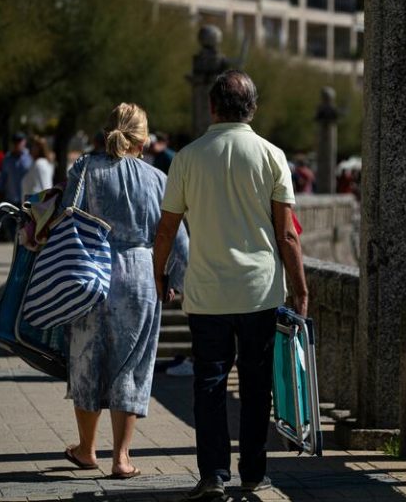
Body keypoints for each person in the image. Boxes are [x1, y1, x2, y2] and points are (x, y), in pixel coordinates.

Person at [153, 70, 308, 499]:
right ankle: (254, 473)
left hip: (207, 294)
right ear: (253, 108)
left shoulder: (186, 157)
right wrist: (301, 288)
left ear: (211, 106)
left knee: (209, 384)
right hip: (259, 291)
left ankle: (212, 476)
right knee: (257, 387)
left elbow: (166, 230)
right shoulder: (272, 155)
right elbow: (288, 234)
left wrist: (159, 275)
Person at [62, 103, 187, 479]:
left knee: (87, 359)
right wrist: (176, 280)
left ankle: (86, 449)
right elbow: (175, 237)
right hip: (140, 275)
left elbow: (68, 214)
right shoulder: (157, 179)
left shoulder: (86, 169)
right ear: (144, 140)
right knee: (131, 365)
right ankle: (121, 457)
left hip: (92, 272)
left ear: (107, 133)